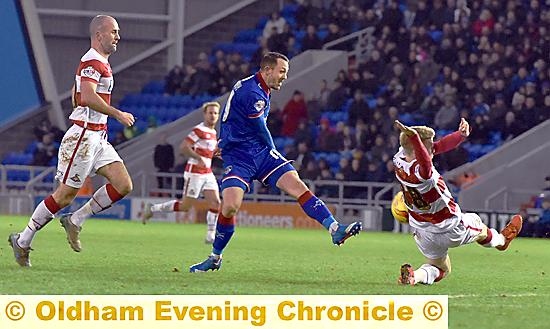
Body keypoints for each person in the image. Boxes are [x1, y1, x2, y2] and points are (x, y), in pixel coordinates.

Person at [189, 52, 362, 273]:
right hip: (240, 155)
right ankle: (215, 257)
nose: (284, 77)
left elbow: (232, 118)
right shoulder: (252, 93)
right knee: (230, 207)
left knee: (298, 186)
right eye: (281, 72)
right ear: (267, 70)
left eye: (286, 73)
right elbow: (261, 128)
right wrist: (271, 149)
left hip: (258, 152)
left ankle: (335, 228)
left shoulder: (260, 87)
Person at [8, 15, 135, 267]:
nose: (117, 36)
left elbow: (80, 92)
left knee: (123, 185)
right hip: (83, 137)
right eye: (113, 32)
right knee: (65, 195)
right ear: (99, 35)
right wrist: (118, 113)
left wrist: (81, 97)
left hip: (98, 137)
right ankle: (23, 240)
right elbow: (87, 96)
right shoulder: (91, 60)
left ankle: (76, 220)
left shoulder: (100, 63)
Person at [392, 118, 523, 285]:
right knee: (479, 226)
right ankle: (502, 241)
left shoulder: (399, 159)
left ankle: (414, 277)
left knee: (442, 269)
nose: (434, 148)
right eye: (430, 146)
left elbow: (437, 147)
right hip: (451, 227)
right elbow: (425, 162)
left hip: (422, 231)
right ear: (420, 149)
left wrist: (459, 136)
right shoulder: (424, 175)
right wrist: (417, 139)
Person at [141, 102, 221, 244]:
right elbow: (184, 147)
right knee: (185, 206)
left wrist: (215, 154)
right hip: (194, 173)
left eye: (215, 113)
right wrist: (198, 158)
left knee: (215, 202)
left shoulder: (213, 133)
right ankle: (153, 208)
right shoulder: (199, 130)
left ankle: (210, 235)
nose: (213, 116)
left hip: (207, 173)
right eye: (210, 113)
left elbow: (207, 150)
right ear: (205, 114)